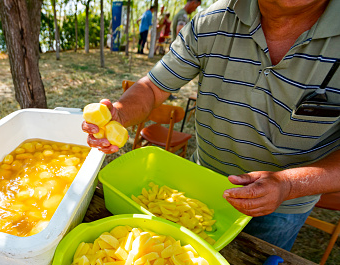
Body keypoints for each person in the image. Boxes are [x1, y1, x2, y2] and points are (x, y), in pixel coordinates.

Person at [83, 0, 340, 251]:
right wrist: (119, 113)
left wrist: (290, 185)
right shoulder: (212, 21)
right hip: (201, 186)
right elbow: (152, 88)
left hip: (282, 209)